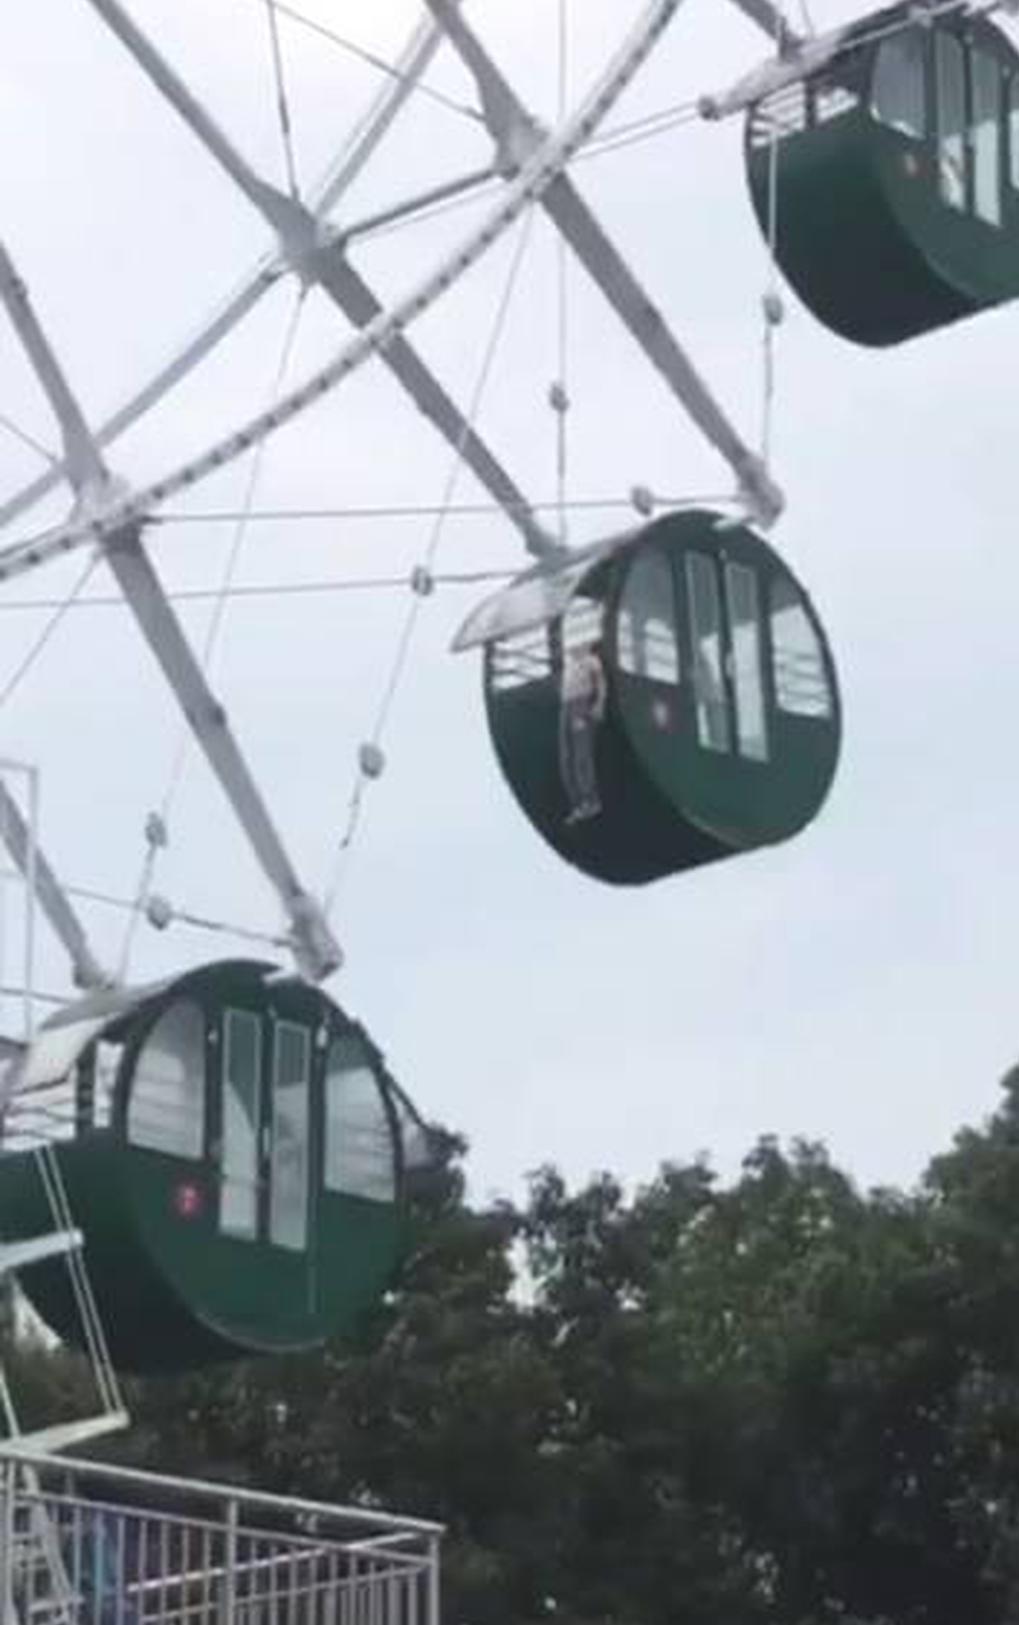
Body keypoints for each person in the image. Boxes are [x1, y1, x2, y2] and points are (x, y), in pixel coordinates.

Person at [559, 642, 607, 823]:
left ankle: (591, 800)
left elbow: (601, 683)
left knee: (581, 755)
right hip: (566, 706)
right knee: (566, 757)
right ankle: (577, 804)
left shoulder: (591, 660)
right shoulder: (569, 662)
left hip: (581, 703)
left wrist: (599, 704)